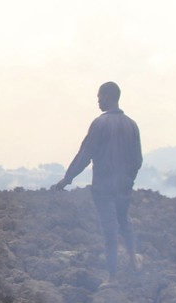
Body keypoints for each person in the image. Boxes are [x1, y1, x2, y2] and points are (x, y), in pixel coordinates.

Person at [55, 81, 143, 289]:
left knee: (109, 229)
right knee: (124, 221)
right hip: (123, 187)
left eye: (100, 97)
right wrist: (129, 180)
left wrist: (67, 179)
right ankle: (133, 260)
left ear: (108, 96)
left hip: (103, 188)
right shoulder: (132, 124)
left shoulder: (100, 124)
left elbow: (85, 154)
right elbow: (138, 159)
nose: (98, 101)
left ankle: (112, 277)